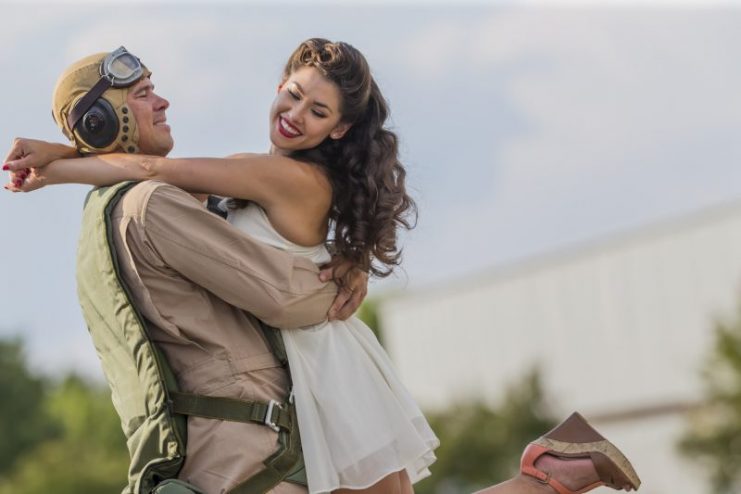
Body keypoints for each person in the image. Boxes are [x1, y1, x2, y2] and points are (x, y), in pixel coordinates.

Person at [4, 43, 641, 494]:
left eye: (318, 112)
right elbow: (158, 170)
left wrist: (55, 167)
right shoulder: (247, 166)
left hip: (326, 365)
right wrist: (68, 150)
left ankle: (555, 470)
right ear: (279, 81)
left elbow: (150, 169)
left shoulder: (279, 174)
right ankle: (556, 469)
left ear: (337, 131)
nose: (296, 113)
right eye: (294, 94)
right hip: (308, 370)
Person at [3, 46, 370, 494]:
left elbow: (167, 175)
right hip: (255, 446)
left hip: (243, 432)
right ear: (101, 119)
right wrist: (341, 281)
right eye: (143, 94)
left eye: (317, 111)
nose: (163, 103)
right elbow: (284, 296)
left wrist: (65, 156)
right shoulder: (152, 202)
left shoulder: (113, 205)